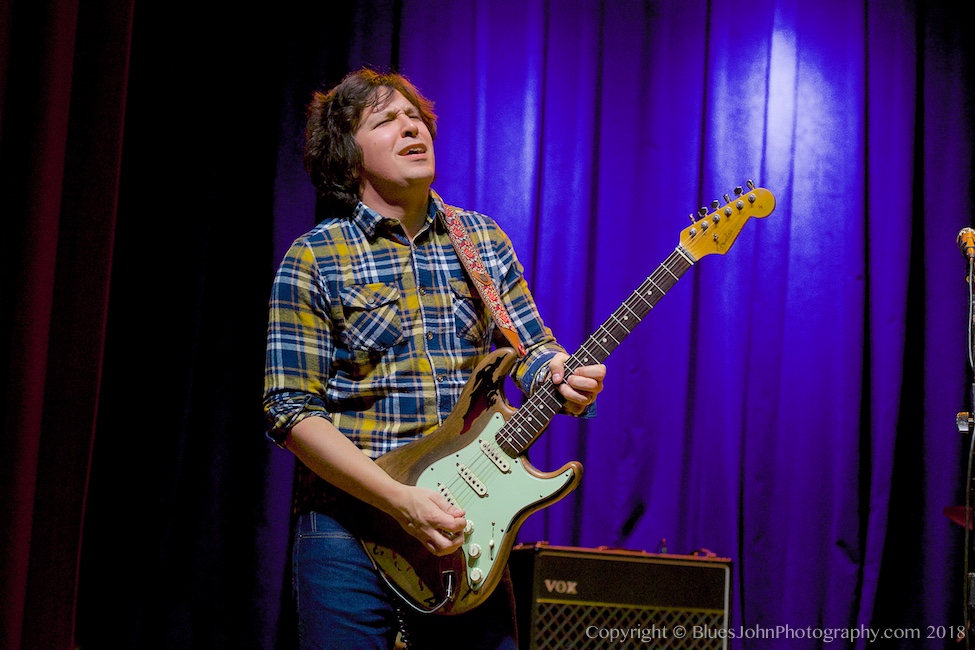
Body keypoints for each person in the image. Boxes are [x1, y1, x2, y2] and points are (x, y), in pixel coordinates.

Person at [263, 67, 607, 650]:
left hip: (462, 521)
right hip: (348, 530)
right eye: (386, 120)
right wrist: (400, 500)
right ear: (349, 157)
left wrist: (558, 372)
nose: (410, 127)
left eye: (415, 117)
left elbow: (529, 351)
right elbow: (290, 412)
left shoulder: (481, 239)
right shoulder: (315, 257)